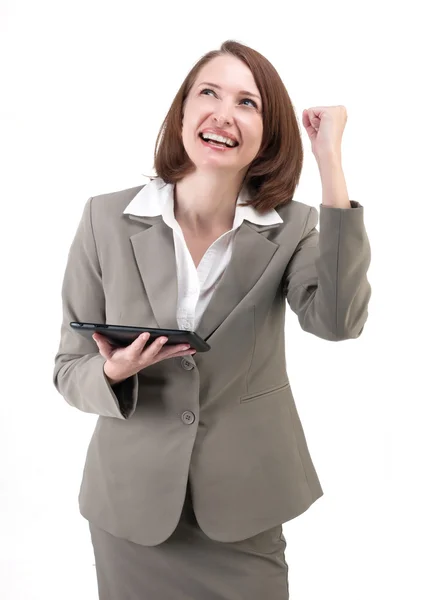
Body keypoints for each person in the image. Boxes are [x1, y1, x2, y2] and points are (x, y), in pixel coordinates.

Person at [53, 39, 372, 599]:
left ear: (267, 135)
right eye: (209, 93)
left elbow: (338, 321)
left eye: (248, 103)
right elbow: (67, 368)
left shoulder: (291, 228)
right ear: (182, 113)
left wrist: (330, 164)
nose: (224, 113)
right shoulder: (105, 217)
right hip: (131, 512)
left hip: (245, 511)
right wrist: (112, 373)